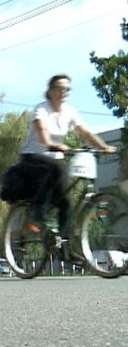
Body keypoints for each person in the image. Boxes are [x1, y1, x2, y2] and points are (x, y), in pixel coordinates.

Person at [17, 74, 116, 236]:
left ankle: (63, 244)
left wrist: (103, 146)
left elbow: (85, 132)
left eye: (66, 89)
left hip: (54, 160)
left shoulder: (69, 112)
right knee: (57, 168)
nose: (63, 92)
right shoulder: (41, 110)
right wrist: (52, 145)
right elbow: (42, 132)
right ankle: (36, 210)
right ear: (50, 91)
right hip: (32, 158)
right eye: (59, 88)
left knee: (65, 202)